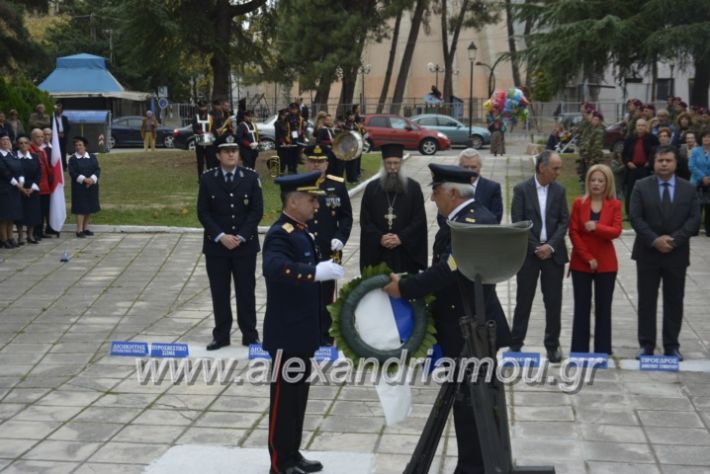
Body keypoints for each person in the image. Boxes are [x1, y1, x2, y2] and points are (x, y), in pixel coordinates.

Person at [383, 163, 510, 474]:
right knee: (467, 401)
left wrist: (406, 288)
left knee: (471, 403)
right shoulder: (465, 218)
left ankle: (474, 467)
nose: (433, 200)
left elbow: (448, 271)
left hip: (469, 331)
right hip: (465, 326)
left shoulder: (471, 223)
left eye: (436, 192)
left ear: (453, 193)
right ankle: (474, 463)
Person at [263, 170, 343, 474]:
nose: (317, 206)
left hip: (302, 332)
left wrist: (328, 266)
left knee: (297, 400)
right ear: (294, 201)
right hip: (286, 333)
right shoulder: (279, 233)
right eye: (312, 200)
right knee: (283, 403)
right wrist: (314, 273)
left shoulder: (302, 231)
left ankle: (292, 453)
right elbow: (274, 268)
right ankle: (278, 463)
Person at [630, 145, 700, 361]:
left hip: (676, 254)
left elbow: (694, 219)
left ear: (676, 163)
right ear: (654, 162)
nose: (664, 164)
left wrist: (675, 240)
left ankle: (671, 345)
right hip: (648, 252)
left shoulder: (688, 188)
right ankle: (646, 345)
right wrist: (654, 239)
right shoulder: (641, 186)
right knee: (646, 300)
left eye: (668, 160)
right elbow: (635, 216)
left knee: (674, 300)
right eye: (660, 160)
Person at [197, 133, 264, 350]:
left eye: (234, 150)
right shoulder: (207, 179)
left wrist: (241, 236)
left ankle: (250, 334)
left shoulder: (251, 177)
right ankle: (221, 335)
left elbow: (256, 211)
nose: (231, 154)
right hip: (217, 246)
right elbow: (203, 213)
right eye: (226, 151)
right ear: (218, 155)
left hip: (244, 245)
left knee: (246, 291)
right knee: (220, 291)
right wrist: (221, 237)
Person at [510, 150, 569, 362]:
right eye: (555, 168)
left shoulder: (560, 191)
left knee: (553, 302)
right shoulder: (521, 190)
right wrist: (536, 247)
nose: (559, 172)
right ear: (542, 168)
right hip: (529, 254)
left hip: (553, 254)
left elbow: (564, 222)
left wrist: (550, 246)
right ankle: (515, 344)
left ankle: (552, 345)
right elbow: (518, 223)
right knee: (523, 300)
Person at [568, 164, 622, 355]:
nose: (596, 184)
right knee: (581, 308)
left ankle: (602, 351)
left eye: (601, 180)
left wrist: (596, 227)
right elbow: (573, 232)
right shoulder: (578, 203)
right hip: (581, 262)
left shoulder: (614, 205)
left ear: (608, 183)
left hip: (606, 264)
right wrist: (587, 257)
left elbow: (616, 231)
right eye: (593, 180)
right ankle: (579, 350)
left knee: (603, 309)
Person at [303, 145, 353, 345]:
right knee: (304, 292)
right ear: (306, 162)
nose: (316, 165)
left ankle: (325, 336)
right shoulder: (299, 185)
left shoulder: (337, 186)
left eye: (320, 161)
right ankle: (307, 332)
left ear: (327, 163)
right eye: (312, 161)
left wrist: (341, 237)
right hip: (304, 247)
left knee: (326, 294)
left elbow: (346, 217)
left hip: (329, 248)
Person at [360, 143, 427, 274]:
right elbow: (365, 220)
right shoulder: (372, 189)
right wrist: (380, 238)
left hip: (405, 253)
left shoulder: (414, 188)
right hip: (379, 254)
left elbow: (419, 220)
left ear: (401, 163)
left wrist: (401, 237)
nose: (392, 167)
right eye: (388, 163)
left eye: (396, 163)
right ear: (383, 164)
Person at [622, 118, 659, 216]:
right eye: (639, 125)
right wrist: (628, 162)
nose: (640, 127)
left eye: (643, 125)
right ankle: (630, 213)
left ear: (646, 127)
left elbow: (657, 152)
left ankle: (646, 212)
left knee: (646, 192)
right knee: (631, 191)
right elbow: (624, 154)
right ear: (636, 127)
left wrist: (650, 162)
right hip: (632, 169)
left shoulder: (652, 138)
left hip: (646, 169)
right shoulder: (630, 139)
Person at [458, 148, 503, 223]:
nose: (469, 171)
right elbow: (443, 216)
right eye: (465, 167)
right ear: (459, 166)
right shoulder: (451, 187)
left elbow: (496, 218)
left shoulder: (492, 188)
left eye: (473, 167)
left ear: (480, 166)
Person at [67, 136, 100, 238]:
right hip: (79, 187)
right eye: (76, 145)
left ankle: (85, 228)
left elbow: (97, 169)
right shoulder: (73, 159)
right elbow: (73, 173)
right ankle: (79, 230)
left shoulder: (92, 157)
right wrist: (84, 179)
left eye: (80, 145)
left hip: (92, 186)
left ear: (85, 146)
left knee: (89, 207)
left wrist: (92, 179)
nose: (78, 147)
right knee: (81, 208)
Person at [14, 134, 42, 245]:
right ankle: (20, 236)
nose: (23, 145)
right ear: (17, 145)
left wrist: (32, 188)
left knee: (32, 213)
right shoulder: (14, 157)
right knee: (20, 213)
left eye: (26, 142)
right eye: (21, 143)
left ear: (30, 144)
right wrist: (22, 188)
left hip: (32, 189)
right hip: (19, 189)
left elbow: (39, 174)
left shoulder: (34, 157)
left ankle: (30, 235)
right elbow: (13, 173)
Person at [29, 128, 54, 240]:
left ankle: (41, 231)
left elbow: (47, 167)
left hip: (45, 185)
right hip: (35, 184)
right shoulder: (30, 150)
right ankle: (34, 233)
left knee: (44, 209)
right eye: (37, 137)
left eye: (42, 136)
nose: (40, 139)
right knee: (36, 210)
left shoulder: (42, 150)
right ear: (32, 138)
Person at [0, 131, 23, 248]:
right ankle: (3, 239)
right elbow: (4, 172)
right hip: (4, 189)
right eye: (3, 140)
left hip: (14, 189)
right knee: (3, 216)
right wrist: (16, 183)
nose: (6, 142)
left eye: (7, 140)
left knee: (11, 215)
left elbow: (20, 168)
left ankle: (10, 237)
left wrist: (21, 181)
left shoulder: (13, 154)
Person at [689, 129, 710, 236]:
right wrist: (702, 177)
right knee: (696, 207)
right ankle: (694, 229)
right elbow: (691, 166)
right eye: (705, 136)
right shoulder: (696, 151)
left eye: (709, 137)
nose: (706, 139)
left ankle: (708, 229)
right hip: (697, 183)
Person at [192, 100, 216, 178]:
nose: (203, 109)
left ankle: (210, 177)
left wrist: (212, 135)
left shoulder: (210, 117)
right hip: (199, 141)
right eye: (201, 107)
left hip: (209, 141)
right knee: (200, 161)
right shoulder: (196, 117)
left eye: (204, 107)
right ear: (199, 108)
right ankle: (201, 177)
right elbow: (194, 128)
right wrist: (201, 133)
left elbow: (213, 128)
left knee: (210, 161)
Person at [51, 102, 70, 170]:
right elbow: (51, 127)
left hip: (63, 137)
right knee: (56, 151)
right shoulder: (52, 118)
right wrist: (57, 134)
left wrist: (64, 133)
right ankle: (57, 166)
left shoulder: (64, 118)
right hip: (56, 137)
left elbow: (68, 127)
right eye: (57, 110)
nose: (59, 111)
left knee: (63, 151)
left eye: (60, 110)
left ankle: (64, 166)